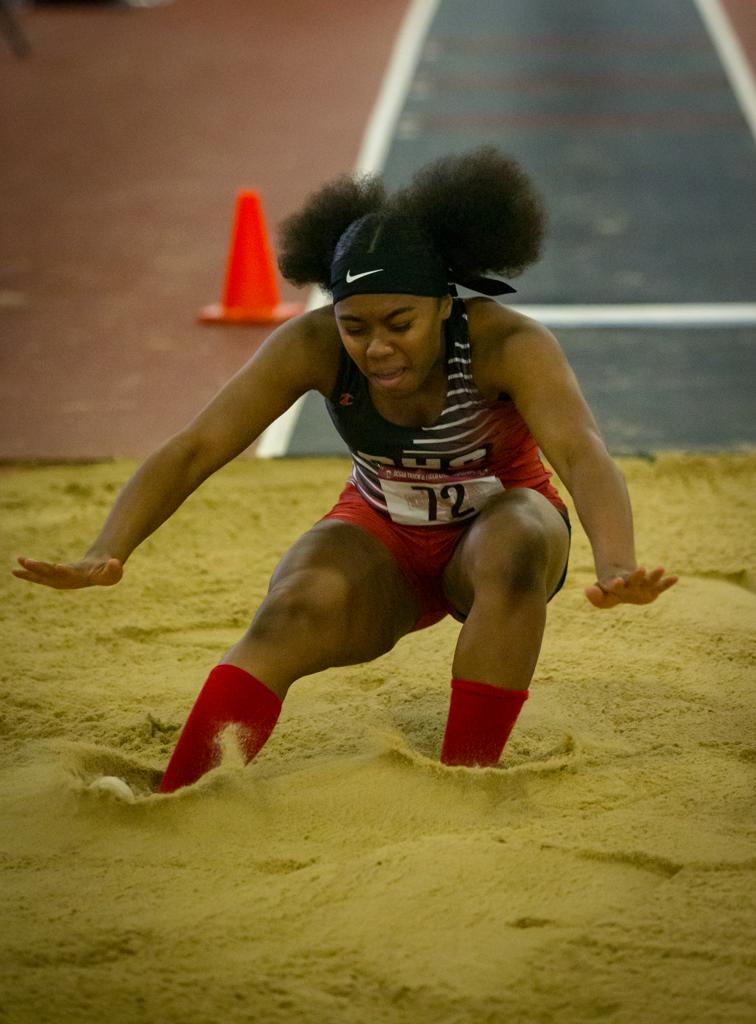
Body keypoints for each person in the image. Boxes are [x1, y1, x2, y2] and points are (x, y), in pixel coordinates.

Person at [13, 147, 677, 793]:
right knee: (293, 604)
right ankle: (180, 794)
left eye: (399, 323)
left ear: (445, 305)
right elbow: (197, 445)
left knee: (515, 540)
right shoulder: (313, 346)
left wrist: (615, 562)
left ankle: (467, 784)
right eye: (355, 326)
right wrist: (109, 548)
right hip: (384, 536)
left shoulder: (508, 344)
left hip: (499, 538)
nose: (378, 347)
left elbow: (581, 453)